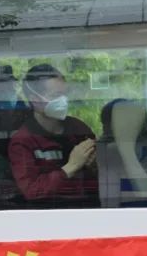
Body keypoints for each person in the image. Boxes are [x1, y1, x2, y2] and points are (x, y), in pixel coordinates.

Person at [7, 64, 97, 202]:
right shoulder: (23, 141)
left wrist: (93, 165)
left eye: (64, 94)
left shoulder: (79, 128)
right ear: (34, 99)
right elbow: (31, 191)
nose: (63, 101)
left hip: (88, 208)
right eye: (56, 95)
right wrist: (71, 167)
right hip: (49, 212)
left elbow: (102, 178)